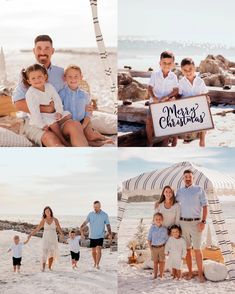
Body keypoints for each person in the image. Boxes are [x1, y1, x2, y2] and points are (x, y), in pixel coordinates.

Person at [13, 35, 89, 147]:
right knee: (52, 139)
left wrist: (86, 106)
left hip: (58, 116)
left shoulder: (61, 73)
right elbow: (18, 103)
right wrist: (47, 109)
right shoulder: (28, 74)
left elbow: (71, 92)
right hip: (34, 120)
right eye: (39, 48)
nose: (42, 52)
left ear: (52, 51)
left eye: (47, 48)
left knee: (75, 126)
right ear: (34, 51)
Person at [59, 65, 114, 146]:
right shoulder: (62, 94)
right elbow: (59, 111)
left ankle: (102, 137)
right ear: (65, 78)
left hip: (83, 121)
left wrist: (83, 126)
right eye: (69, 76)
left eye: (76, 76)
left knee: (90, 135)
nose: (73, 79)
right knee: (76, 136)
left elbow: (88, 114)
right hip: (68, 123)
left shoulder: (85, 95)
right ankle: (96, 143)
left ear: (81, 77)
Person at [22, 64, 71, 146]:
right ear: (29, 81)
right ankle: (63, 140)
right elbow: (34, 111)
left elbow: (57, 99)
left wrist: (59, 111)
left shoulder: (49, 86)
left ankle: (57, 129)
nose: (37, 80)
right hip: (40, 115)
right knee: (53, 124)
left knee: (68, 115)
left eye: (39, 76)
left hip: (51, 113)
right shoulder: (31, 93)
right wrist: (41, 125)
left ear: (45, 77)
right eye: (33, 78)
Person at [176, 170, 208, 283]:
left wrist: (203, 222)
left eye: (190, 176)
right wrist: (159, 203)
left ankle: (200, 274)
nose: (188, 178)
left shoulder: (199, 189)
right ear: (183, 178)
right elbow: (173, 205)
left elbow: (205, 206)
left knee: (197, 249)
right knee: (187, 249)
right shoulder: (179, 191)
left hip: (196, 223)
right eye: (186, 177)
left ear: (193, 178)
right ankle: (190, 272)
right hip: (183, 223)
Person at [146, 51, 179, 147]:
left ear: (173, 64)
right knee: (149, 122)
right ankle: (150, 141)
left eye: (169, 63)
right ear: (160, 63)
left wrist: (168, 97)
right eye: (164, 63)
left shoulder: (173, 77)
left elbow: (176, 90)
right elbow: (149, 88)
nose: (166, 65)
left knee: (168, 122)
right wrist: (154, 97)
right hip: (154, 103)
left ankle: (167, 141)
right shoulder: (155, 74)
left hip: (167, 103)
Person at [178, 58, 210, 147]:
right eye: (185, 70)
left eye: (190, 69)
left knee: (204, 112)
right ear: (182, 71)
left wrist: (207, 97)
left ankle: (202, 140)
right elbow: (179, 95)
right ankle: (180, 138)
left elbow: (205, 93)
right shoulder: (181, 82)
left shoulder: (200, 81)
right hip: (186, 107)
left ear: (195, 68)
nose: (188, 72)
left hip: (198, 106)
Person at [27, 206, 64, 272]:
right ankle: (43, 267)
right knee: (44, 252)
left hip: (53, 238)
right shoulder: (43, 220)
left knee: (52, 252)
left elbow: (59, 228)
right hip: (46, 238)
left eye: (48, 211)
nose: (47, 212)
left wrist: (62, 235)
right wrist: (30, 234)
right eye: (46, 211)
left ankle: (49, 267)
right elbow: (37, 229)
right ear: (44, 212)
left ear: (50, 211)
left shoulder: (55, 220)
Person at [80, 201, 112, 269]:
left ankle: (97, 264)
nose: (95, 208)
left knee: (99, 250)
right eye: (94, 207)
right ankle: (95, 262)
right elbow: (86, 222)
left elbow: (108, 225)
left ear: (100, 206)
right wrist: (81, 227)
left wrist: (110, 234)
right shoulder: (90, 214)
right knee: (93, 251)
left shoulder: (104, 215)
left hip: (100, 235)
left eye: (97, 207)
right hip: (92, 235)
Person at [147, 212, 168, 280]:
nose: (158, 220)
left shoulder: (165, 229)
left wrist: (167, 249)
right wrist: (151, 248)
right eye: (156, 219)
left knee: (162, 262)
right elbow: (149, 239)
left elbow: (167, 240)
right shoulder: (152, 228)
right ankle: (155, 275)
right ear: (154, 220)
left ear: (162, 220)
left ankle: (161, 275)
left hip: (162, 247)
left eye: (160, 219)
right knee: (155, 262)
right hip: (154, 248)